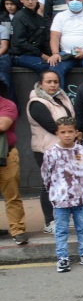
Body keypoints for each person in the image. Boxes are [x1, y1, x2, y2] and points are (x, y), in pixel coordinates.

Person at [41, 117, 83, 272]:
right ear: (57, 133)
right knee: (61, 230)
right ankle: (62, 257)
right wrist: (52, 192)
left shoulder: (80, 150)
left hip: (80, 198)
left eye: (70, 131)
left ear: (76, 133)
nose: (67, 135)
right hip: (61, 199)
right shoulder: (51, 152)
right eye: (63, 132)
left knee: (82, 228)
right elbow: (46, 174)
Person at [27, 70, 75, 234]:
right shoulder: (37, 102)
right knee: (49, 185)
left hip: (65, 149)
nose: (53, 84)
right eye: (49, 82)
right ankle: (49, 221)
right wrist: (72, 133)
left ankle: (63, 218)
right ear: (41, 84)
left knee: (65, 183)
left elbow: (70, 121)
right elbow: (52, 126)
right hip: (46, 150)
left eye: (55, 81)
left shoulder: (61, 99)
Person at [10, 0, 64, 80]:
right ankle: (39, 91)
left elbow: (45, 39)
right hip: (20, 55)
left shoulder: (39, 18)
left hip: (36, 54)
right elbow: (20, 42)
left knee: (55, 64)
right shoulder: (19, 17)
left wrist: (51, 55)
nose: (30, 2)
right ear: (21, 0)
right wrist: (42, 55)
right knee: (44, 67)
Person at [0, 92, 26, 244]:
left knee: (12, 195)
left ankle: (18, 230)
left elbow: (2, 125)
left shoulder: (7, 104)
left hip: (6, 156)